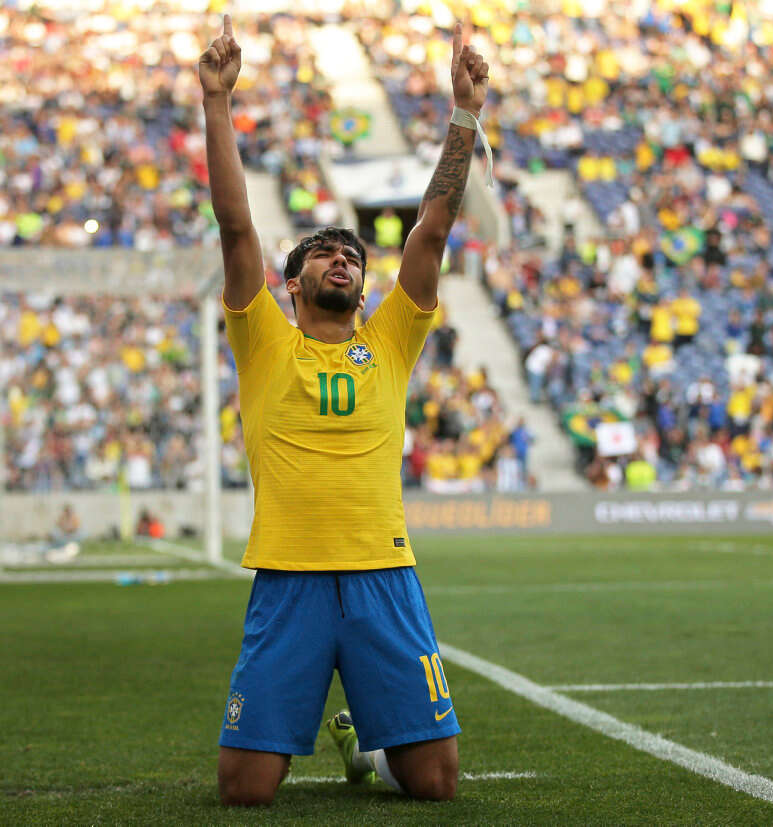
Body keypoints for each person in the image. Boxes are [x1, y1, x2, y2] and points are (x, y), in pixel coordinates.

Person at [200, 14, 487, 805]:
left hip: (382, 572)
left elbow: (433, 228)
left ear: (363, 288)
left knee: (436, 782)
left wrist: (465, 115)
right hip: (288, 576)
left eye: (352, 256)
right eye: (324, 253)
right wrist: (217, 102)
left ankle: (367, 745)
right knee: (245, 790)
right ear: (292, 285)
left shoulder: (391, 340)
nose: (342, 259)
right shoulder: (264, 340)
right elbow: (235, 226)